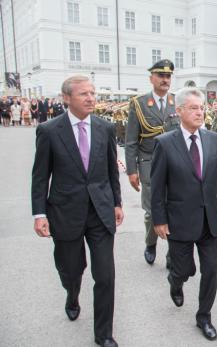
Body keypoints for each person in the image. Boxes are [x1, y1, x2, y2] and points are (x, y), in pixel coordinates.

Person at [31, 75, 123, 347]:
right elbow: (40, 177)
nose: (91, 98)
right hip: (65, 212)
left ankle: (103, 334)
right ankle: (72, 294)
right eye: (84, 94)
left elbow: (110, 170)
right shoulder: (49, 131)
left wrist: (116, 203)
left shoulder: (105, 128)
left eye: (93, 93)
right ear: (67, 98)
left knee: (105, 275)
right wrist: (39, 214)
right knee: (72, 270)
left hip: (100, 211)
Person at [150, 87, 217, 341]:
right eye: (194, 108)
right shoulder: (164, 144)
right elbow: (157, 186)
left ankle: (204, 316)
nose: (200, 112)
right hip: (180, 220)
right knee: (184, 270)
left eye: (202, 108)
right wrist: (159, 219)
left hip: (209, 219)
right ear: (180, 111)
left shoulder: (213, 139)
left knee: (210, 271)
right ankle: (176, 282)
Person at [125, 59, 180, 267]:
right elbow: (131, 141)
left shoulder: (177, 102)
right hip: (149, 161)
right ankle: (151, 243)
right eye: (161, 76)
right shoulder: (139, 104)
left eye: (168, 76)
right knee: (152, 210)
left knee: (174, 207)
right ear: (152, 79)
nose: (165, 80)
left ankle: (171, 252)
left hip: (174, 163)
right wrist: (132, 170)